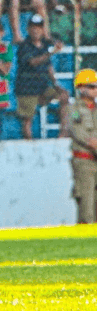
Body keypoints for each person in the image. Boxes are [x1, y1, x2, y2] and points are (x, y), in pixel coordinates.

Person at [14, 14, 69, 139]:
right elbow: (33, 62)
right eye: (33, 27)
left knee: (64, 96)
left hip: (42, 87)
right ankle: (29, 145)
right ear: (28, 29)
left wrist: (56, 84)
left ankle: (63, 135)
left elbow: (48, 67)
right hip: (26, 89)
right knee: (28, 119)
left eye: (39, 27)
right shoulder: (24, 46)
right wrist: (51, 52)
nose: (36, 30)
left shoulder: (45, 45)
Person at [67, 68, 97, 224]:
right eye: (91, 86)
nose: (95, 90)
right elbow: (77, 130)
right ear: (81, 88)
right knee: (86, 207)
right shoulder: (74, 109)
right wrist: (92, 143)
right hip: (84, 161)